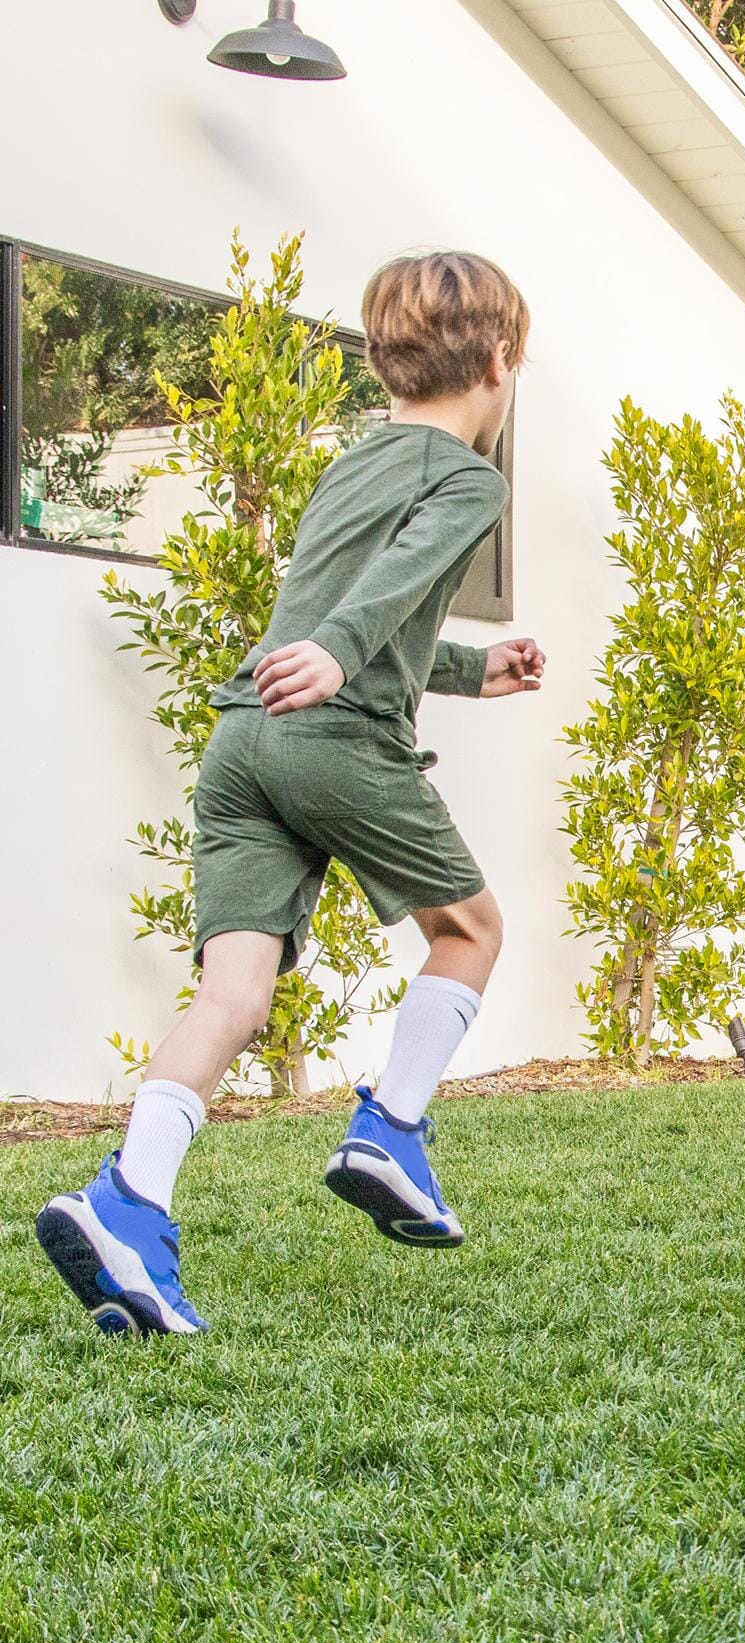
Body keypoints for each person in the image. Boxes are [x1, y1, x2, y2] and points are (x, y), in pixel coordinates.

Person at [37, 251, 545, 1334]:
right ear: (502, 361)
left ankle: (126, 1201)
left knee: (233, 998)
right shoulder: (470, 478)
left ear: (382, 364)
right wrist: (340, 652)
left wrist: (465, 667)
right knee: (471, 930)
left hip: (241, 745)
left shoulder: (356, 460)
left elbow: (355, 604)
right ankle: (391, 1129)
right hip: (330, 738)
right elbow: (380, 596)